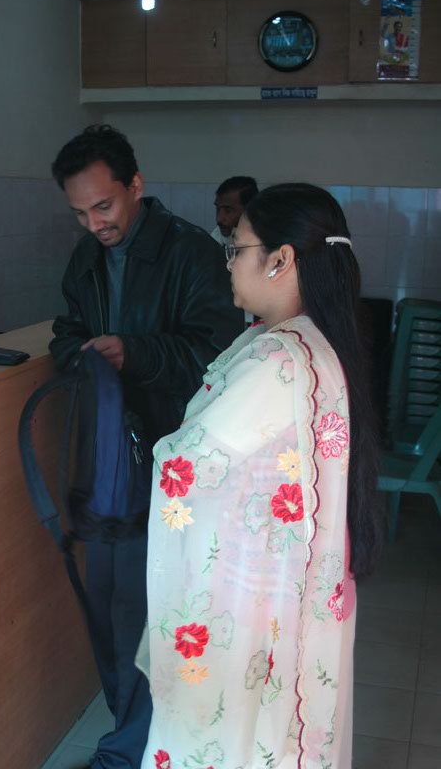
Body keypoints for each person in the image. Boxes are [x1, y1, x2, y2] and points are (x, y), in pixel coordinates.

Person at [139, 184, 384, 768]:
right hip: (280, 584)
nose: (228, 262)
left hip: (256, 598)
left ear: (280, 259)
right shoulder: (306, 340)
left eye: (236, 248)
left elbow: (187, 465)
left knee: (241, 737)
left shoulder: (278, 361)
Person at [49, 124, 244, 769]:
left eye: (103, 206)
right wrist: (80, 354)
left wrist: (134, 353)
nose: (94, 224)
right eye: (80, 213)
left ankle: (132, 747)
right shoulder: (85, 259)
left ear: (135, 185)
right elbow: (66, 331)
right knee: (108, 600)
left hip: (173, 459)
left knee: (147, 605)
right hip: (111, 457)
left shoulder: (190, 252)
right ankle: (130, 730)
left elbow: (217, 358)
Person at [210, 175, 258, 244]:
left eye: (228, 211)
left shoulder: (264, 242)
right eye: (218, 209)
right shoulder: (217, 235)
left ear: (249, 210)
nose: (219, 219)